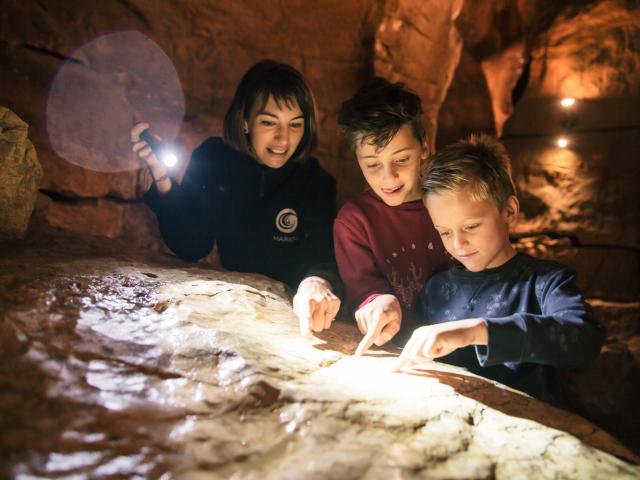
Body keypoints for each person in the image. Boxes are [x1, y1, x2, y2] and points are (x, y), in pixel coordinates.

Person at [131, 60, 341, 333]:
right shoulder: (215, 160)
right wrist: (162, 178)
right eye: (269, 122)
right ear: (245, 122)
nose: (283, 139)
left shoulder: (315, 182)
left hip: (295, 320)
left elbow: (323, 256)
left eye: (295, 125)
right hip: (232, 316)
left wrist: (318, 280)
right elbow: (192, 245)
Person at [393, 134, 605, 402]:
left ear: (509, 211)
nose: (458, 243)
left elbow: (584, 341)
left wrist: (476, 331)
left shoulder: (545, 283)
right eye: (444, 232)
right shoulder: (437, 287)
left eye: (471, 226)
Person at [332, 77, 450, 356]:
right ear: (357, 158)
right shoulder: (354, 222)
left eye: (401, 159)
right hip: (400, 353)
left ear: (424, 146)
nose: (389, 177)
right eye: (372, 164)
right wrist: (376, 303)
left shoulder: (452, 202)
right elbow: (365, 293)